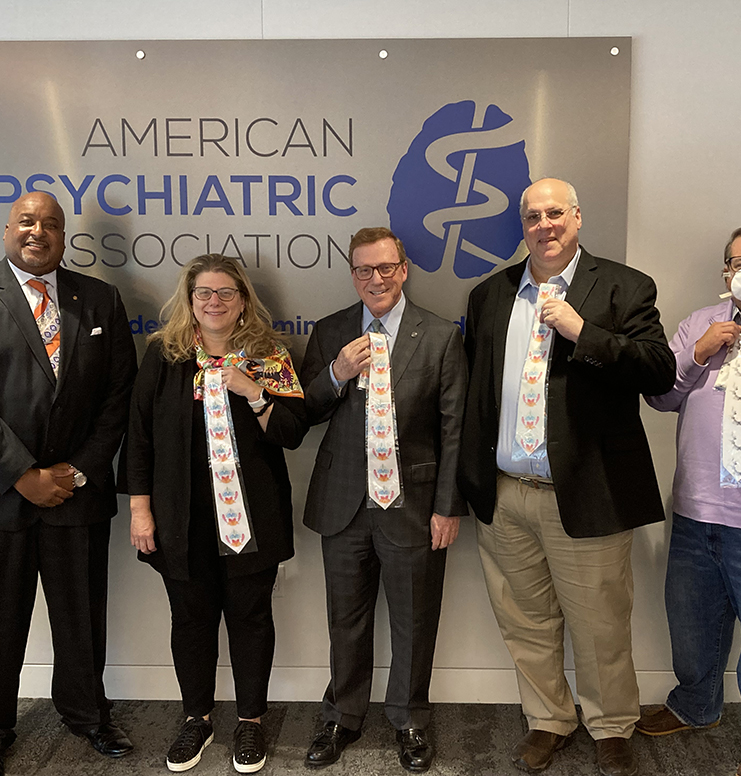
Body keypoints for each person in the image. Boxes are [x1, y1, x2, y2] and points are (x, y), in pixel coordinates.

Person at [457, 178, 675, 776]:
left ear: (577, 218)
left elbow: (658, 371)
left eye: (555, 213)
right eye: (532, 216)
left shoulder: (625, 286)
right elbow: (475, 395)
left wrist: (584, 332)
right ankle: (549, 719)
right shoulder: (490, 294)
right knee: (524, 621)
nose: (544, 224)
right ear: (521, 226)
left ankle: (611, 726)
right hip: (506, 495)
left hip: (587, 491)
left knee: (601, 623)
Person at [124, 254, 306, 774]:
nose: (214, 302)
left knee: (251, 618)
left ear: (243, 299)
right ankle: (196, 719)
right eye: (203, 293)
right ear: (189, 300)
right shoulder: (165, 355)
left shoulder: (269, 355)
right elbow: (138, 437)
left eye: (226, 292)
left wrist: (254, 393)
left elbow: (293, 432)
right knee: (191, 619)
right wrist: (141, 512)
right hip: (182, 520)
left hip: (252, 519)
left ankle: (251, 721)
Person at [300, 227, 467, 773]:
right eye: (364, 270)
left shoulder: (440, 335)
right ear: (353, 274)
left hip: (414, 505)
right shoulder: (330, 332)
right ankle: (342, 715)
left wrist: (447, 507)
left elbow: (454, 429)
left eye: (385, 267)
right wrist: (335, 373)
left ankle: (410, 717)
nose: (376, 279)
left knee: (416, 619)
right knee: (344, 619)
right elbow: (306, 410)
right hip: (344, 501)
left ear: (404, 268)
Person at [639, 226, 741, 776]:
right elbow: (660, 396)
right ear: (725, 272)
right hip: (695, 512)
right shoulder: (697, 324)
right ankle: (697, 705)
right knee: (691, 626)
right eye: (739, 262)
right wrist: (697, 355)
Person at [0, 192, 137, 769]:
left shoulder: (99, 298)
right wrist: (22, 474)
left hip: (78, 493)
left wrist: (78, 469)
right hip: (5, 495)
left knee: (81, 617)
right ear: (9, 228)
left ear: (63, 236)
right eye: (27, 222)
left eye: (51, 224)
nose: (39, 232)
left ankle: (86, 714)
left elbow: (118, 394)